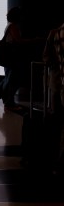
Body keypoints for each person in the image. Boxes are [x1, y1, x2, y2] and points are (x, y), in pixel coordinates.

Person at [0, 6, 31, 111]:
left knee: (9, 79)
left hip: (10, 58)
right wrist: (34, 40)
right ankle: (8, 103)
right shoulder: (13, 27)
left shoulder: (9, 26)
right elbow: (18, 41)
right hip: (13, 58)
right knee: (12, 81)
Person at [42, 21, 64, 174]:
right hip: (58, 84)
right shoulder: (56, 33)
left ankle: (55, 160)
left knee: (56, 122)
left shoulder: (54, 33)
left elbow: (46, 57)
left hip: (56, 83)